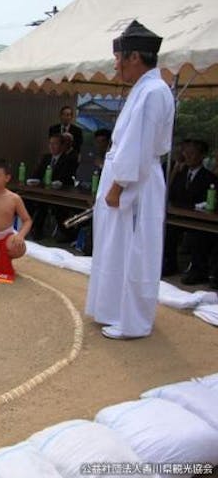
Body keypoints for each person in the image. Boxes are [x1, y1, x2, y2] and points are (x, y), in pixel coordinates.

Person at [85, 20, 175, 340]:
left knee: (133, 251)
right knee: (116, 249)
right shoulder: (147, 89)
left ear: (134, 57)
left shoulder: (153, 91)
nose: (116, 64)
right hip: (128, 180)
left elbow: (139, 144)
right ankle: (112, 309)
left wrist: (117, 187)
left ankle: (132, 321)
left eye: (120, 57)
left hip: (135, 184)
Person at [162, 139, 218, 283]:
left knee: (201, 234)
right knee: (167, 228)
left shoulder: (209, 178)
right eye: (185, 153)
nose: (187, 156)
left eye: (192, 153)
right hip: (179, 215)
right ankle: (169, 263)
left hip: (199, 219)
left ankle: (198, 270)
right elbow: (170, 192)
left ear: (201, 156)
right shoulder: (180, 173)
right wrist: (174, 171)